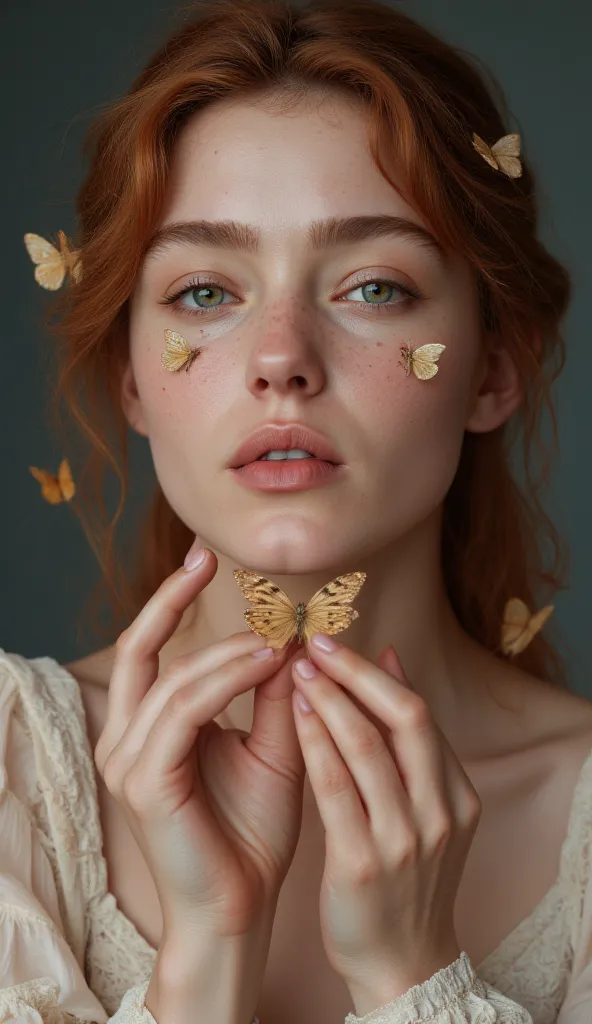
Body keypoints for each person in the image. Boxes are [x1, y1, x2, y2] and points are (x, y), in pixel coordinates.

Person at [2, 0, 591, 1021]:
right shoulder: (14, 780)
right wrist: (210, 951)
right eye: (201, 293)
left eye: (371, 287)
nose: (280, 358)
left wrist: (416, 978)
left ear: (493, 369)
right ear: (132, 379)